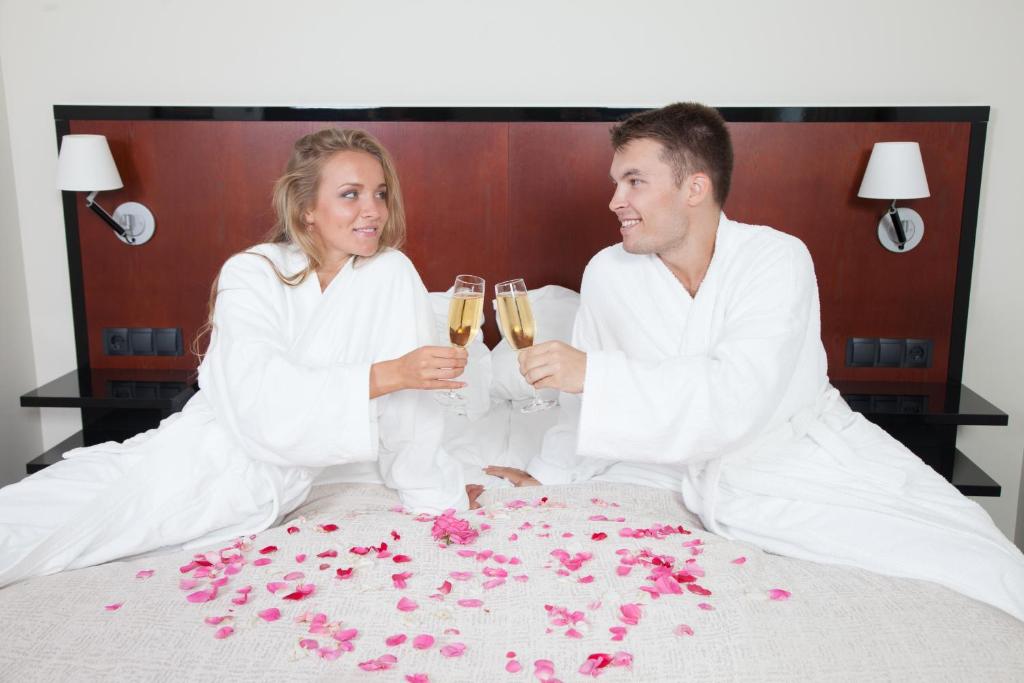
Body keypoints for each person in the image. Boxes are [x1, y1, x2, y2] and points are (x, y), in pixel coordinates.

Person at [480, 103, 1024, 622]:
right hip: (657, 467)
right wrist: (548, 477)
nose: (614, 200)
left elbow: (737, 395)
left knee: (978, 564)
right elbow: (582, 407)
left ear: (695, 188)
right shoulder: (608, 272)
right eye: (615, 182)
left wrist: (595, 375)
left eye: (634, 181)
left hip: (793, 458)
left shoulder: (776, 260)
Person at [0, 128, 469, 587]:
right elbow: (258, 394)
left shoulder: (390, 273)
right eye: (351, 194)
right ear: (306, 208)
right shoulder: (253, 272)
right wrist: (391, 374)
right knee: (40, 523)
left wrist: (435, 501)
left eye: (381, 193)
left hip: (275, 488)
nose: (374, 210)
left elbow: (412, 409)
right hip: (198, 456)